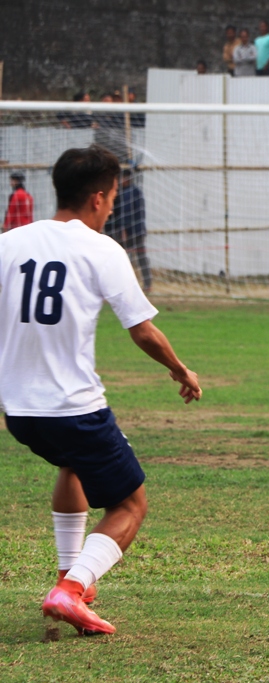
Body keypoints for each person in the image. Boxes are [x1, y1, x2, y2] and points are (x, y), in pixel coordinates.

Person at [0, 145, 202, 636]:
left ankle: (67, 580)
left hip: (20, 411)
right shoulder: (100, 248)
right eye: (112, 198)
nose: (113, 207)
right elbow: (143, 330)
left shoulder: (8, 244)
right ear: (96, 198)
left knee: (74, 464)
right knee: (131, 504)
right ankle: (72, 590)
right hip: (73, 407)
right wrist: (180, 369)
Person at [106, 170, 151, 292]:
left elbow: (132, 214)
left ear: (128, 178)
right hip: (126, 230)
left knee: (140, 257)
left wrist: (125, 229)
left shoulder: (133, 192)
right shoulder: (122, 192)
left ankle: (147, 284)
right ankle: (122, 285)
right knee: (121, 258)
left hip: (134, 231)